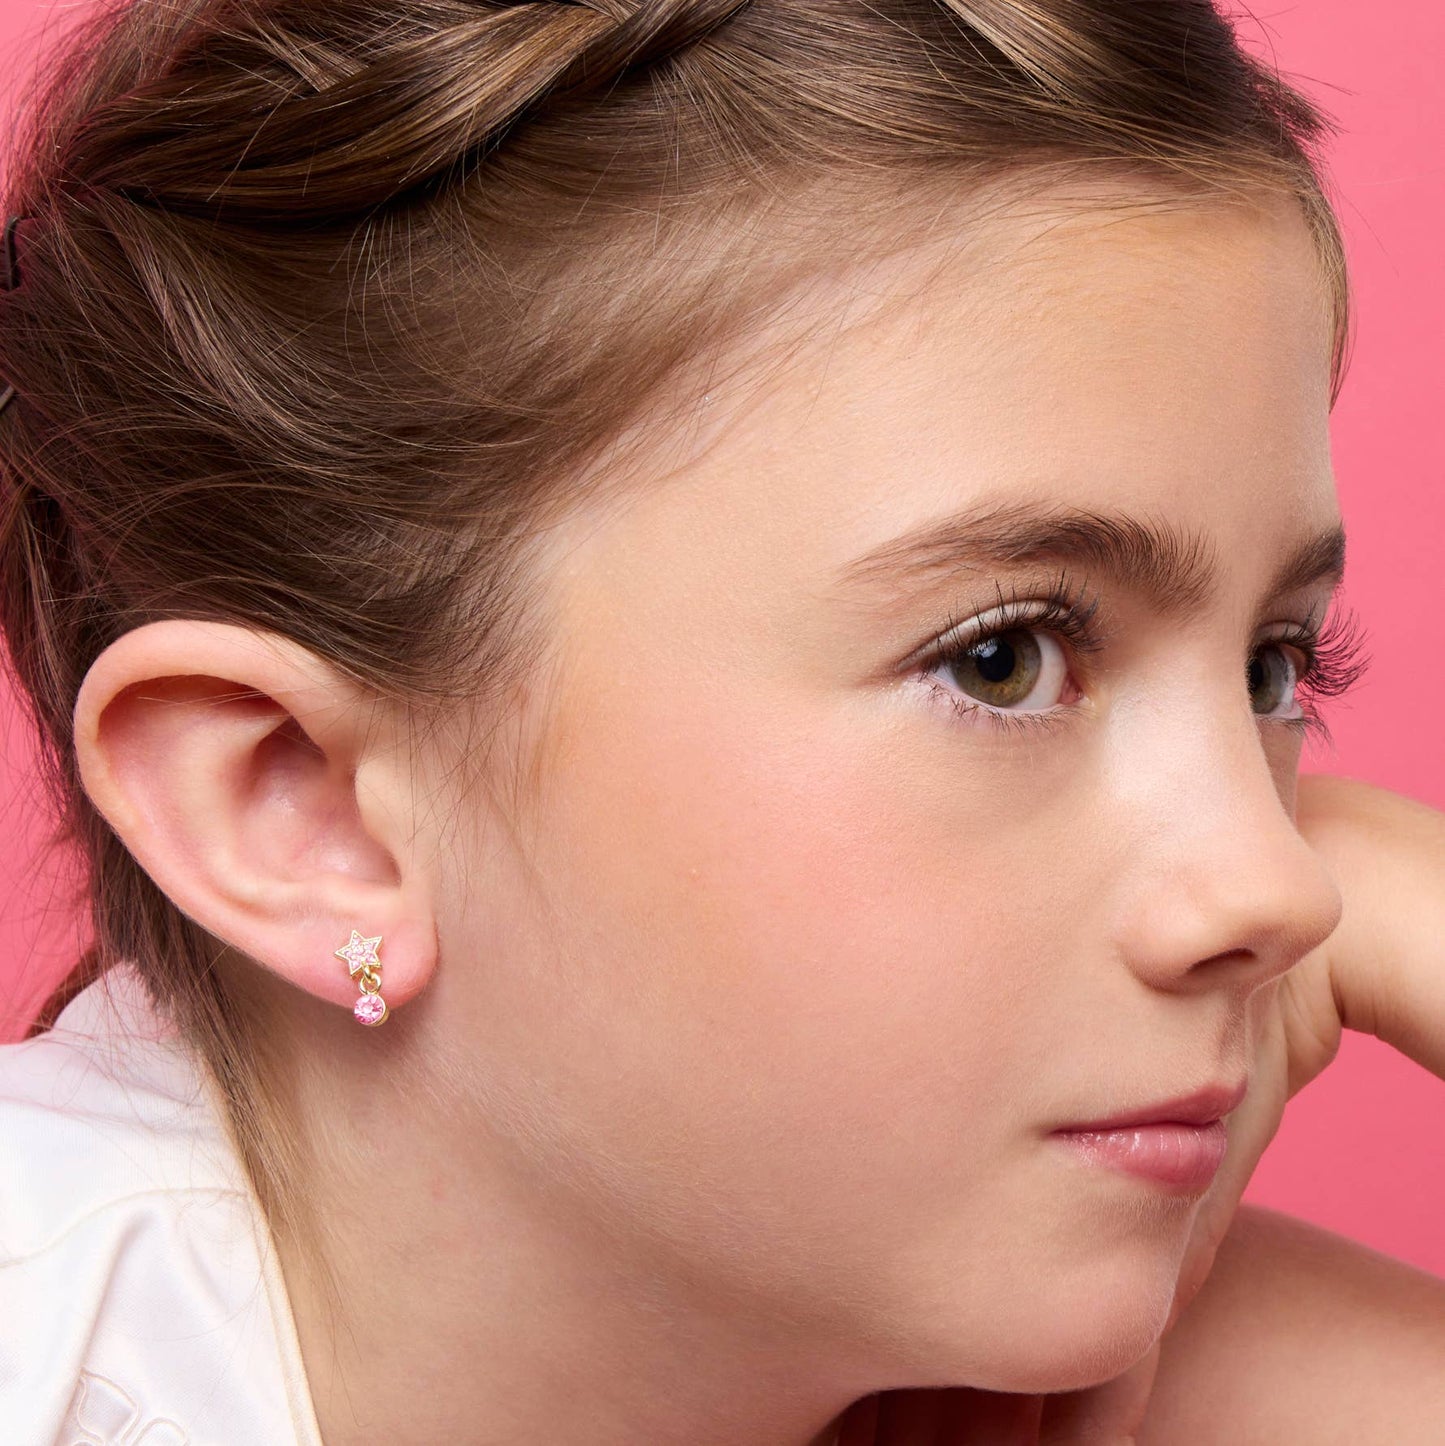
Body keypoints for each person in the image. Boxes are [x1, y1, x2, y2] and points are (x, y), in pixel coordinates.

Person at [0, 0, 1442, 1441]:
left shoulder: (1104, 1373)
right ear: (297, 804)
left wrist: (1398, 889)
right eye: (1001, 658)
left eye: (1270, 665)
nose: (1275, 882)